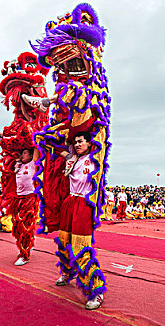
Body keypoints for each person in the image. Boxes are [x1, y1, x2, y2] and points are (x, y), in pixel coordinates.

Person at [54, 131, 106, 310]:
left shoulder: (96, 156)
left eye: (81, 141)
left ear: (89, 143)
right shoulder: (71, 157)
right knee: (63, 242)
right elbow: (48, 143)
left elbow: (101, 134)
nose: (77, 144)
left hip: (84, 203)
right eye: (75, 142)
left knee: (81, 247)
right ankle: (67, 273)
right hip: (69, 202)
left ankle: (96, 291)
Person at [9, 149, 39, 266]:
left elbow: (37, 145)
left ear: (31, 155)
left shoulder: (33, 164)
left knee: (26, 227)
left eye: (25, 153)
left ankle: (24, 255)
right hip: (18, 199)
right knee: (18, 228)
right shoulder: (18, 165)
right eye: (21, 153)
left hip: (30, 198)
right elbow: (9, 152)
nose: (22, 155)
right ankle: (28, 244)